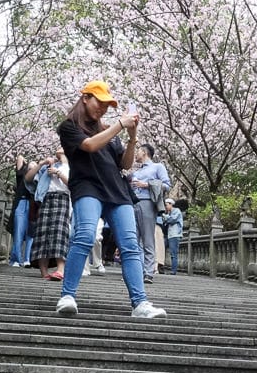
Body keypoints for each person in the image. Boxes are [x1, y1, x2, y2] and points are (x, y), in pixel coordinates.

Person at [56, 80, 167, 319]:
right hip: (87, 187)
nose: (103, 109)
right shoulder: (68, 127)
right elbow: (89, 145)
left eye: (108, 105)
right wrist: (119, 124)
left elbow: (125, 164)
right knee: (84, 235)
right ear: (85, 98)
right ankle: (68, 295)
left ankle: (140, 303)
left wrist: (132, 136)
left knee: (129, 246)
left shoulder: (109, 129)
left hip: (117, 191)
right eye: (100, 102)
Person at [25, 149, 71, 281]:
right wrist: (42, 163)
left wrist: (58, 173)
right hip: (46, 198)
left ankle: (60, 269)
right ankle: (43, 271)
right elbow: (28, 178)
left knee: (60, 232)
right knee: (42, 233)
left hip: (63, 198)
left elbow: (74, 185)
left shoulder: (73, 166)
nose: (60, 147)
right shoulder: (48, 166)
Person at [130, 142, 170, 283]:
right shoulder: (136, 172)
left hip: (147, 203)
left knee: (147, 238)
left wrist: (146, 185)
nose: (136, 154)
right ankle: (137, 271)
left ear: (144, 152)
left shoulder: (157, 167)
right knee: (134, 239)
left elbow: (166, 185)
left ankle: (148, 272)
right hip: (133, 203)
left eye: (138, 151)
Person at [8, 153, 36, 267]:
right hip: (21, 203)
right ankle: (15, 259)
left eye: (34, 166)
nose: (32, 167)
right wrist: (26, 161)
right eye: (31, 166)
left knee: (31, 233)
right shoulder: (22, 176)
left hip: (33, 205)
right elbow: (19, 157)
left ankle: (27, 258)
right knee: (18, 231)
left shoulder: (38, 179)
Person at [163, 197, 184, 275]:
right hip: (169, 235)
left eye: (166, 205)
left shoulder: (176, 211)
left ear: (171, 204)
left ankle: (173, 271)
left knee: (173, 253)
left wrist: (165, 217)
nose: (166, 207)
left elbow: (172, 220)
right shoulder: (168, 213)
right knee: (162, 248)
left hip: (175, 235)